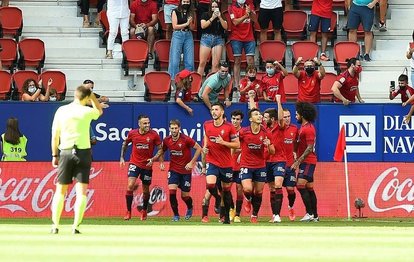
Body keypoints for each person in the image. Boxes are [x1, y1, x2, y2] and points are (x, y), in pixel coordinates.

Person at [50, 85, 103, 234]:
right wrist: (92, 97)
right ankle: (76, 226)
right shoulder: (87, 111)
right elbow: (99, 110)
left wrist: (54, 155)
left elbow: (55, 136)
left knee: (60, 191)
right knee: (82, 192)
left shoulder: (61, 110)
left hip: (65, 151)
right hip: (83, 153)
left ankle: (55, 225)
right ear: (86, 98)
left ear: (74, 94)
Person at [156, 119, 202, 221]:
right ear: (169, 129)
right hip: (173, 170)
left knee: (184, 196)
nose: (174, 130)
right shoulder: (167, 140)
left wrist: (192, 162)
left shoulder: (186, 139)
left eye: (176, 128)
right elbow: (161, 151)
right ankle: (176, 215)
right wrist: (161, 162)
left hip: (185, 171)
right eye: (172, 128)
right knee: (172, 192)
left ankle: (190, 207)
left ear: (179, 128)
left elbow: (199, 148)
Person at [202, 102, 240, 224]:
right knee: (211, 185)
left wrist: (224, 143)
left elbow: (237, 144)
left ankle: (226, 217)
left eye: (216, 109)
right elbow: (206, 141)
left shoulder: (229, 127)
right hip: (212, 161)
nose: (213, 111)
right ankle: (217, 199)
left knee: (226, 191)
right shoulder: (207, 125)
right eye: (212, 109)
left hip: (226, 164)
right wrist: (205, 148)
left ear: (222, 112)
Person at [120, 114, 163, 221]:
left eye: (148, 123)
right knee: (130, 185)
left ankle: (144, 210)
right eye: (145, 123)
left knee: (146, 191)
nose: (147, 125)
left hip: (147, 166)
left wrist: (153, 159)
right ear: (139, 124)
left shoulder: (154, 135)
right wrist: (121, 157)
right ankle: (128, 212)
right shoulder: (132, 134)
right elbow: (125, 144)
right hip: (134, 163)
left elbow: (161, 149)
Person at [239, 108, 274, 223]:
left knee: (258, 192)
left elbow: (273, 151)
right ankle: (248, 199)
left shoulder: (266, 132)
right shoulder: (243, 132)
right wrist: (239, 153)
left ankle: (254, 215)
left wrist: (268, 145)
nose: (259, 116)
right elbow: (236, 144)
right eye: (256, 114)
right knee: (248, 189)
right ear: (250, 119)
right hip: (246, 164)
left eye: (260, 114)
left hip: (260, 166)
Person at [256, 95, 286, 223]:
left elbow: (280, 117)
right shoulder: (264, 128)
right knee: (272, 188)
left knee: (278, 185)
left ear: (272, 119)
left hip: (279, 159)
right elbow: (254, 114)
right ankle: (274, 214)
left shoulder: (279, 126)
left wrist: (279, 101)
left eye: (266, 117)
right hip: (266, 161)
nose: (264, 119)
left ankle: (278, 215)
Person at [292, 101, 319, 222]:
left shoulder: (308, 129)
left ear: (302, 114)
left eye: (297, 113)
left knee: (300, 185)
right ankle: (315, 216)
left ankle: (309, 213)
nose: (295, 116)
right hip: (307, 161)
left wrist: (297, 162)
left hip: (308, 161)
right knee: (309, 188)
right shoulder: (302, 127)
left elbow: (309, 148)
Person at [229, 0, 257, 88]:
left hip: (249, 37)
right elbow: (235, 22)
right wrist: (245, 16)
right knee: (237, 61)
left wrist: (250, 13)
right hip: (236, 37)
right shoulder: (231, 7)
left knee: (250, 61)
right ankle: (237, 85)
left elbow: (255, 20)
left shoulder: (250, 6)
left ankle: (250, 83)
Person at [197, 0, 227, 76]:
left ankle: (213, 85)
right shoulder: (205, 14)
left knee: (216, 64)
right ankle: (197, 83)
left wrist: (219, 17)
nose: (214, 8)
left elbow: (226, 27)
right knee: (202, 62)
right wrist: (212, 17)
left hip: (218, 39)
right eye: (212, 7)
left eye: (216, 7)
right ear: (210, 7)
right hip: (206, 38)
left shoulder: (222, 15)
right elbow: (203, 26)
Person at [282, 108, 298, 221]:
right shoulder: (277, 129)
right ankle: (275, 214)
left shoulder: (294, 129)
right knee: (275, 188)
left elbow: (297, 144)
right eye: (285, 117)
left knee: (290, 189)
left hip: (290, 164)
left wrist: (295, 153)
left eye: (288, 116)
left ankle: (291, 207)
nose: (287, 119)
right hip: (278, 163)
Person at [229, 109, 244, 223]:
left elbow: (247, 146)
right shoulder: (227, 131)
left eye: (237, 119)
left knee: (240, 190)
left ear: (241, 120)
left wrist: (241, 151)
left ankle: (238, 214)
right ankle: (231, 209)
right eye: (233, 119)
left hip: (240, 166)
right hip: (228, 164)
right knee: (226, 189)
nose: (235, 121)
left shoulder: (244, 132)